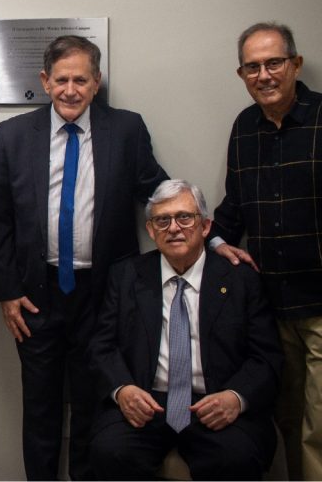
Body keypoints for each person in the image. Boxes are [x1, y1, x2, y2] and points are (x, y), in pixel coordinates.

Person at [0, 35, 168, 480]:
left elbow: (160, 197)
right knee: (40, 406)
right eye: (62, 80)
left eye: (81, 80)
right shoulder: (12, 136)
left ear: (96, 81)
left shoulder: (125, 130)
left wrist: (212, 239)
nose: (71, 90)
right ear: (45, 81)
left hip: (103, 296)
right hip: (35, 295)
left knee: (94, 403)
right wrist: (7, 292)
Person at [88, 179, 282, 480]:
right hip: (147, 402)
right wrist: (122, 389)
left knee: (237, 457)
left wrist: (235, 397)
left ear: (205, 226)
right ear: (151, 230)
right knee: (109, 451)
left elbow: (266, 356)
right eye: (162, 220)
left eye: (184, 217)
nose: (174, 228)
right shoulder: (126, 276)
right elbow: (102, 346)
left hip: (215, 401)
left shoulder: (241, 280)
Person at [210, 22, 322, 480]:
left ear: (295, 64)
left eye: (273, 63)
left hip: (320, 304)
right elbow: (234, 205)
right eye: (252, 67)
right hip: (271, 307)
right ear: (241, 74)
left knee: (319, 425)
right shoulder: (244, 127)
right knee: (286, 418)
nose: (264, 75)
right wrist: (213, 241)